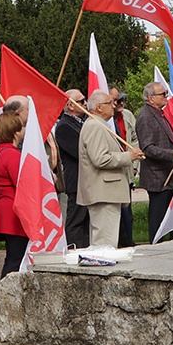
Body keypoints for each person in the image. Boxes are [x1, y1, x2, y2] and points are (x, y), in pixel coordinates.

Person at [78, 91, 145, 248]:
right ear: (99, 107)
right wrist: (128, 156)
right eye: (110, 103)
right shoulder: (94, 126)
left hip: (107, 192)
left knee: (106, 239)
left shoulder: (98, 124)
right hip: (103, 192)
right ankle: (103, 269)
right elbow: (100, 159)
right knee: (105, 241)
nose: (114, 105)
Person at [137, 82, 173, 243]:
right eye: (163, 94)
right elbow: (148, 148)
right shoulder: (145, 117)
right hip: (158, 177)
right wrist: (172, 154)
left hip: (170, 175)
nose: (167, 96)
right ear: (151, 98)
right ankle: (156, 246)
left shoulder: (160, 114)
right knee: (158, 217)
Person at [0, 112, 28, 277]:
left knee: (13, 255)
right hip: (14, 210)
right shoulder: (12, 154)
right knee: (16, 258)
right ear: (16, 131)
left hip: (5, 207)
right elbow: (21, 182)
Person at [55, 89, 89, 249]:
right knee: (76, 219)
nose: (85, 103)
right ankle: (74, 248)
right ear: (70, 105)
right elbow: (80, 152)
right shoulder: (64, 126)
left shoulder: (82, 121)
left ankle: (86, 249)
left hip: (86, 180)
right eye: (81, 101)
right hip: (76, 180)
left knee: (86, 219)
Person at [109, 85, 138, 247]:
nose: (121, 103)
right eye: (117, 100)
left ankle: (128, 241)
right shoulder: (105, 120)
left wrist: (134, 163)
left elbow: (134, 138)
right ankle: (119, 242)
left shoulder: (127, 116)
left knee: (127, 209)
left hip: (128, 167)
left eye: (122, 99)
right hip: (113, 170)